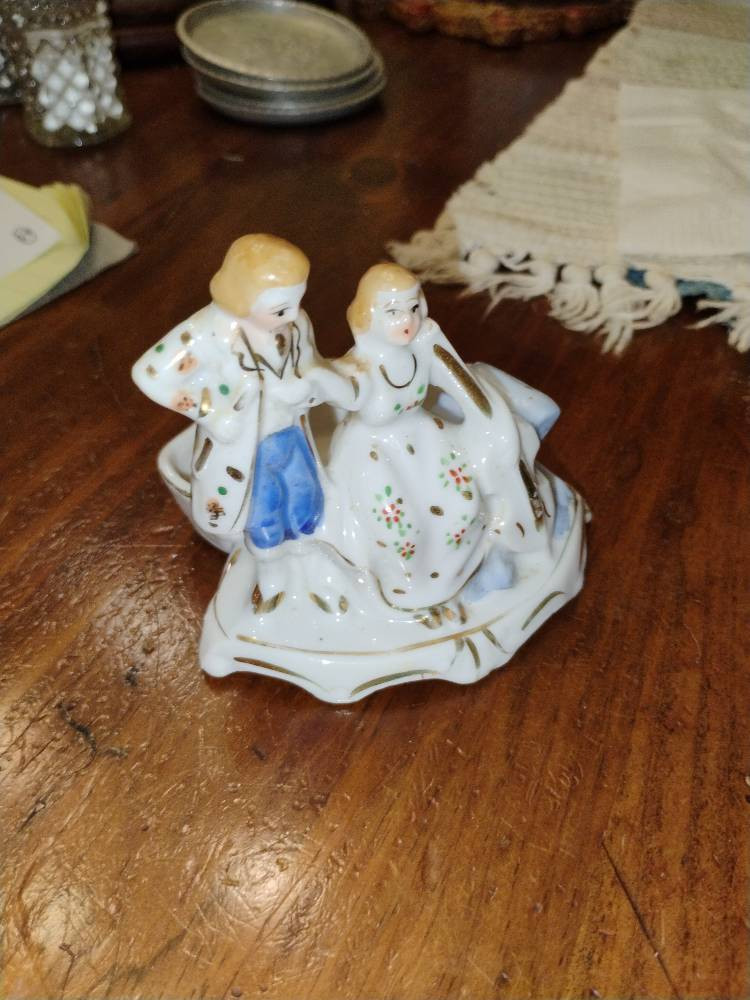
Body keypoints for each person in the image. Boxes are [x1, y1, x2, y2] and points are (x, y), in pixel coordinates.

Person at [325, 262, 559, 610]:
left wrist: (494, 428)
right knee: (398, 526)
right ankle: (404, 589)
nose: (407, 320)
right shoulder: (357, 367)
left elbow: (466, 388)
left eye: (413, 307)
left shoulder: (424, 347)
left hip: (422, 435)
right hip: (371, 451)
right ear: (368, 314)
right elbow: (329, 391)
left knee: (462, 503)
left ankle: (453, 577)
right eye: (393, 312)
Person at [132, 234, 353, 551]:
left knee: (305, 495)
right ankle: (266, 554)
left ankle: (308, 544)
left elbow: (309, 365)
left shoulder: (295, 325)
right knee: (262, 508)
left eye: (298, 301)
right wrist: (211, 414)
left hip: (291, 431)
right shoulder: (207, 332)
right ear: (244, 299)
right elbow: (150, 374)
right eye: (280, 309)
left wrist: (311, 386)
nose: (293, 315)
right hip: (246, 448)